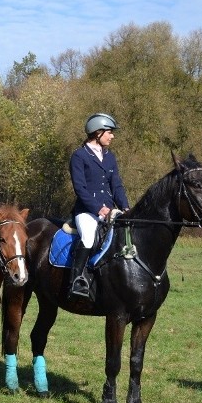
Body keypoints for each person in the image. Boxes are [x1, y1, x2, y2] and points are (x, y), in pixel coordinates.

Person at [69, 112, 130, 301]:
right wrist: (99, 209)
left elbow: (116, 185)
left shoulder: (110, 157)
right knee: (88, 237)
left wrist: (126, 208)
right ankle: (76, 280)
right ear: (97, 132)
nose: (112, 136)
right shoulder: (79, 156)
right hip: (86, 211)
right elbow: (80, 188)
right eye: (109, 132)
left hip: (110, 210)